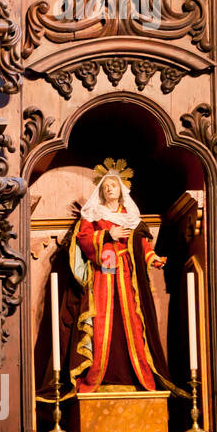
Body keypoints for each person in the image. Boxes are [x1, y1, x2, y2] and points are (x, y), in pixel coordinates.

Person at [65, 160, 184, 395]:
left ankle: (137, 376)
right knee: (102, 320)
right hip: (104, 272)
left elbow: (141, 242)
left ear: (122, 190)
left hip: (127, 273)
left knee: (131, 319)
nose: (110, 188)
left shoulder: (131, 217)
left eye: (114, 185)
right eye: (106, 186)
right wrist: (107, 234)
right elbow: (84, 239)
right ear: (101, 191)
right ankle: (98, 376)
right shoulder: (93, 214)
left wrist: (153, 258)